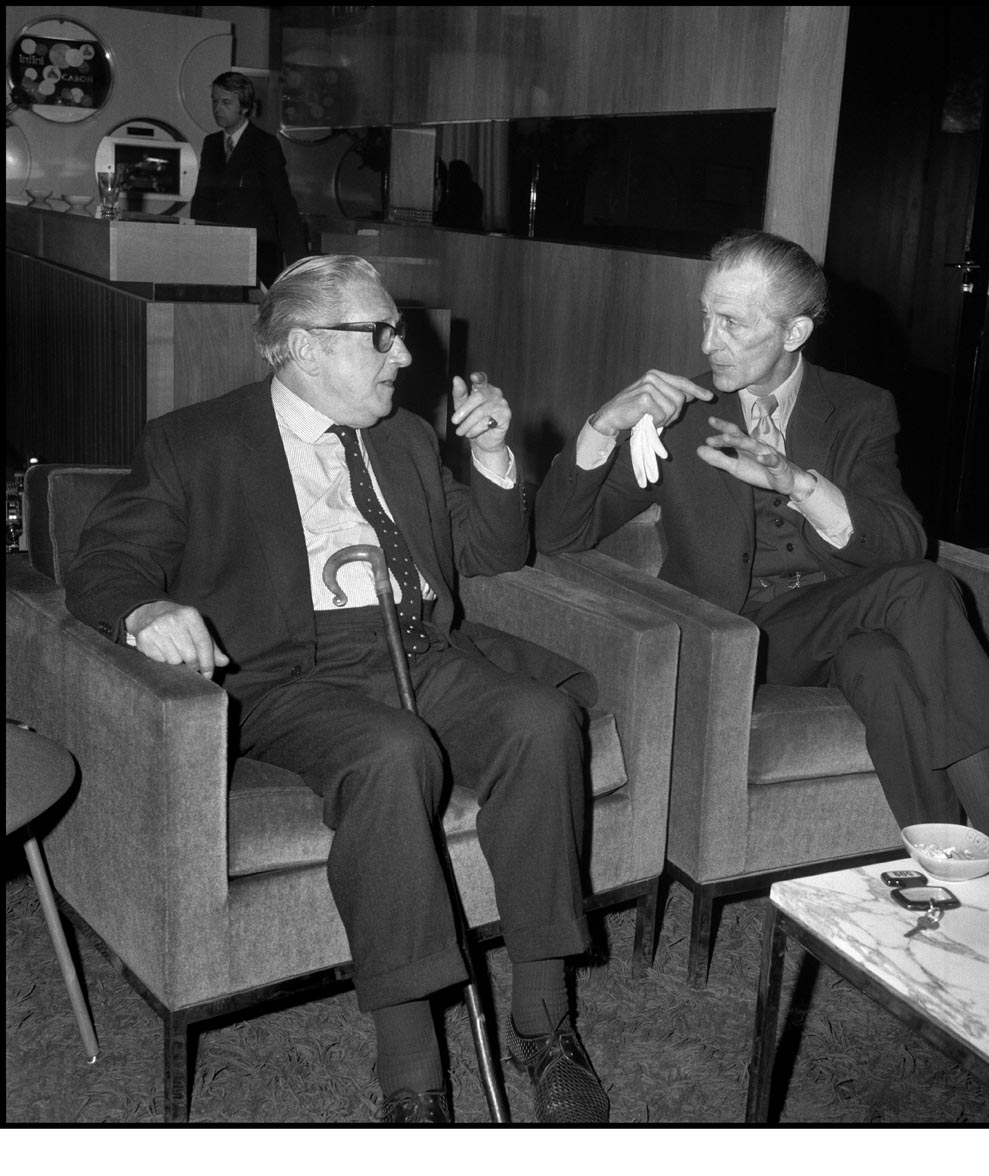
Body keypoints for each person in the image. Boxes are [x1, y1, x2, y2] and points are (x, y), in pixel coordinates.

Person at [63, 254, 609, 1125]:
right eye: (382, 335)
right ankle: (413, 1076)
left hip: (421, 651)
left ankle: (544, 1018)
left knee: (542, 721)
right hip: (290, 674)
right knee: (391, 754)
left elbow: (491, 554)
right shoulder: (194, 442)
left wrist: (495, 455)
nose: (403, 356)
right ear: (306, 348)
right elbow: (103, 562)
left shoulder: (407, 438)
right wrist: (143, 609)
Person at [535, 229, 989, 841]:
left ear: (794, 333)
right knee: (923, 589)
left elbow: (904, 542)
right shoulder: (678, 413)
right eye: (705, 317)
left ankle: (942, 865)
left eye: (731, 324)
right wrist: (603, 426)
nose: (706, 343)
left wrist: (799, 483)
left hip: (837, 620)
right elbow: (558, 534)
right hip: (733, 633)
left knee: (880, 660)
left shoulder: (858, 407)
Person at [190, 71, 307, 288]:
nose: (217, 109)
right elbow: (201, 200)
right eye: (214, 101)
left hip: (256, 256)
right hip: (216, 253)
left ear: (244, 107)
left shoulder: (265, 145)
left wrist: (299, 266)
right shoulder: (212, 144)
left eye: (225, 102)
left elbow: (283, 206)